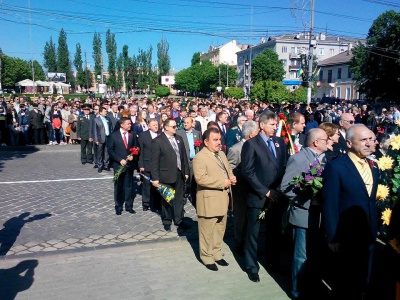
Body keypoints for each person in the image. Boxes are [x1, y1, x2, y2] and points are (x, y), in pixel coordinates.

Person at [322, 124, 378, 299]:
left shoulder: (373, 166)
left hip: (368, 233)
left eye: (371, 138)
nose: (369, 143)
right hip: (346, 236)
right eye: (363, 140)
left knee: (364, 281)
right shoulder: (337, 167)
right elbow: (330, 203)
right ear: (348, 143)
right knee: (346, 284)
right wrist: (333, 237)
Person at [280, 128, 329, 299]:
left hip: (320, 217)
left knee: (315, 254)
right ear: (316, 142)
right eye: (326, 139)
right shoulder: (298, 158)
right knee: (301, 256)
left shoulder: (326, 159)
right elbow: (286, 187)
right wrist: (309, 199)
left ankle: (312, 286)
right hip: (303, 215)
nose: (328, 141)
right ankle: (297, 291)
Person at [241, 111, 287, 282]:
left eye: (276, 124)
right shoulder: (251, 144)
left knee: (274, 232)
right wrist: (264, 191)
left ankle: (273, 262)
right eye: (272, 124)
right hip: (258, 195)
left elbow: (282, 166)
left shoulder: (279, 142)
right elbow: (248, 171)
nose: (275, 128)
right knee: (253, 233)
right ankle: (252, 266)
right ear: (262, 125)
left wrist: (280, 189)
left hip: (276, 195)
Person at [193, 127, 236, 271]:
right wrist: (221, 182)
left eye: (220, 140)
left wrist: (231, 177)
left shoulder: (222, 154)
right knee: (207, 232)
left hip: (223, 200)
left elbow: (228, 169)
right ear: (206, 142)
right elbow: (200, 179)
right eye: (215, 140)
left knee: (219, 230)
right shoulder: (200, 157)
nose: (219, 143)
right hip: (209, 201)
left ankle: (217, 254)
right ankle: (206, 257)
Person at [151, 119, 190, 231]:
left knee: (179, 198)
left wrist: (186, 171)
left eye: (175, 126)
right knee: (167, 199)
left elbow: (183, 157)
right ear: (166, 127)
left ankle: (179, 219)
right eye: (173, 127)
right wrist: (155, 178)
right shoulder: (158, 141)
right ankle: (167, 220)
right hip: (165, 174)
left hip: (179, 173)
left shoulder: (179, 139)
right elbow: (155, 162)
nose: (175, 128)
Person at [227, 120, 259, 256]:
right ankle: (238, 244)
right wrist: (244, 171)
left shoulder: (258, 146)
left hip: (254, 190)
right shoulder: (235, 149)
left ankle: (249, 244)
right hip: (241, 191)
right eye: (258, 132)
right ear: (251, 135)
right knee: (240, 220)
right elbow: (230, 169)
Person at [107, 117, 139, 215]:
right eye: (128, 124)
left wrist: (133, 156)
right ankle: (118, 206)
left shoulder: (132, 134)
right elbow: (110, 150)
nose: (130, 125)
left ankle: (129, 206)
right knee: (118, 186)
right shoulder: (113, 136)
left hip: (129, 165)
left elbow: (137, 147)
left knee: (129, 186)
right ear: (122, 125)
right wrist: (119, 159)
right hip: (118, 165)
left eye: (130, 124)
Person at [138, 118, 161, 211]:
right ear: (149, 126)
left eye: (157, 124)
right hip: (147, 164)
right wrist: (141, 165)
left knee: (157, 185)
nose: (156, 126)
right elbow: (141, 152)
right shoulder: (143, 136)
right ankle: (146, 203)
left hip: (158, 164)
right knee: (146, 185)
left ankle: (156, 203)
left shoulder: (161, 134)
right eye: (154, 125)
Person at [93, 107, 111, 173]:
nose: (106, 112)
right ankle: (100, 166)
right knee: (100, 153)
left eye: (106, 111)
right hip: (100, 138)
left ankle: (106, 165)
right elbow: (95, 130)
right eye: (104, 111)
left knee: (107, 153)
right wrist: (96, 139)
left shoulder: (108, 119)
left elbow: (110, 128)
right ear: (100, 112)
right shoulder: (96, 120)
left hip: (107, 137)